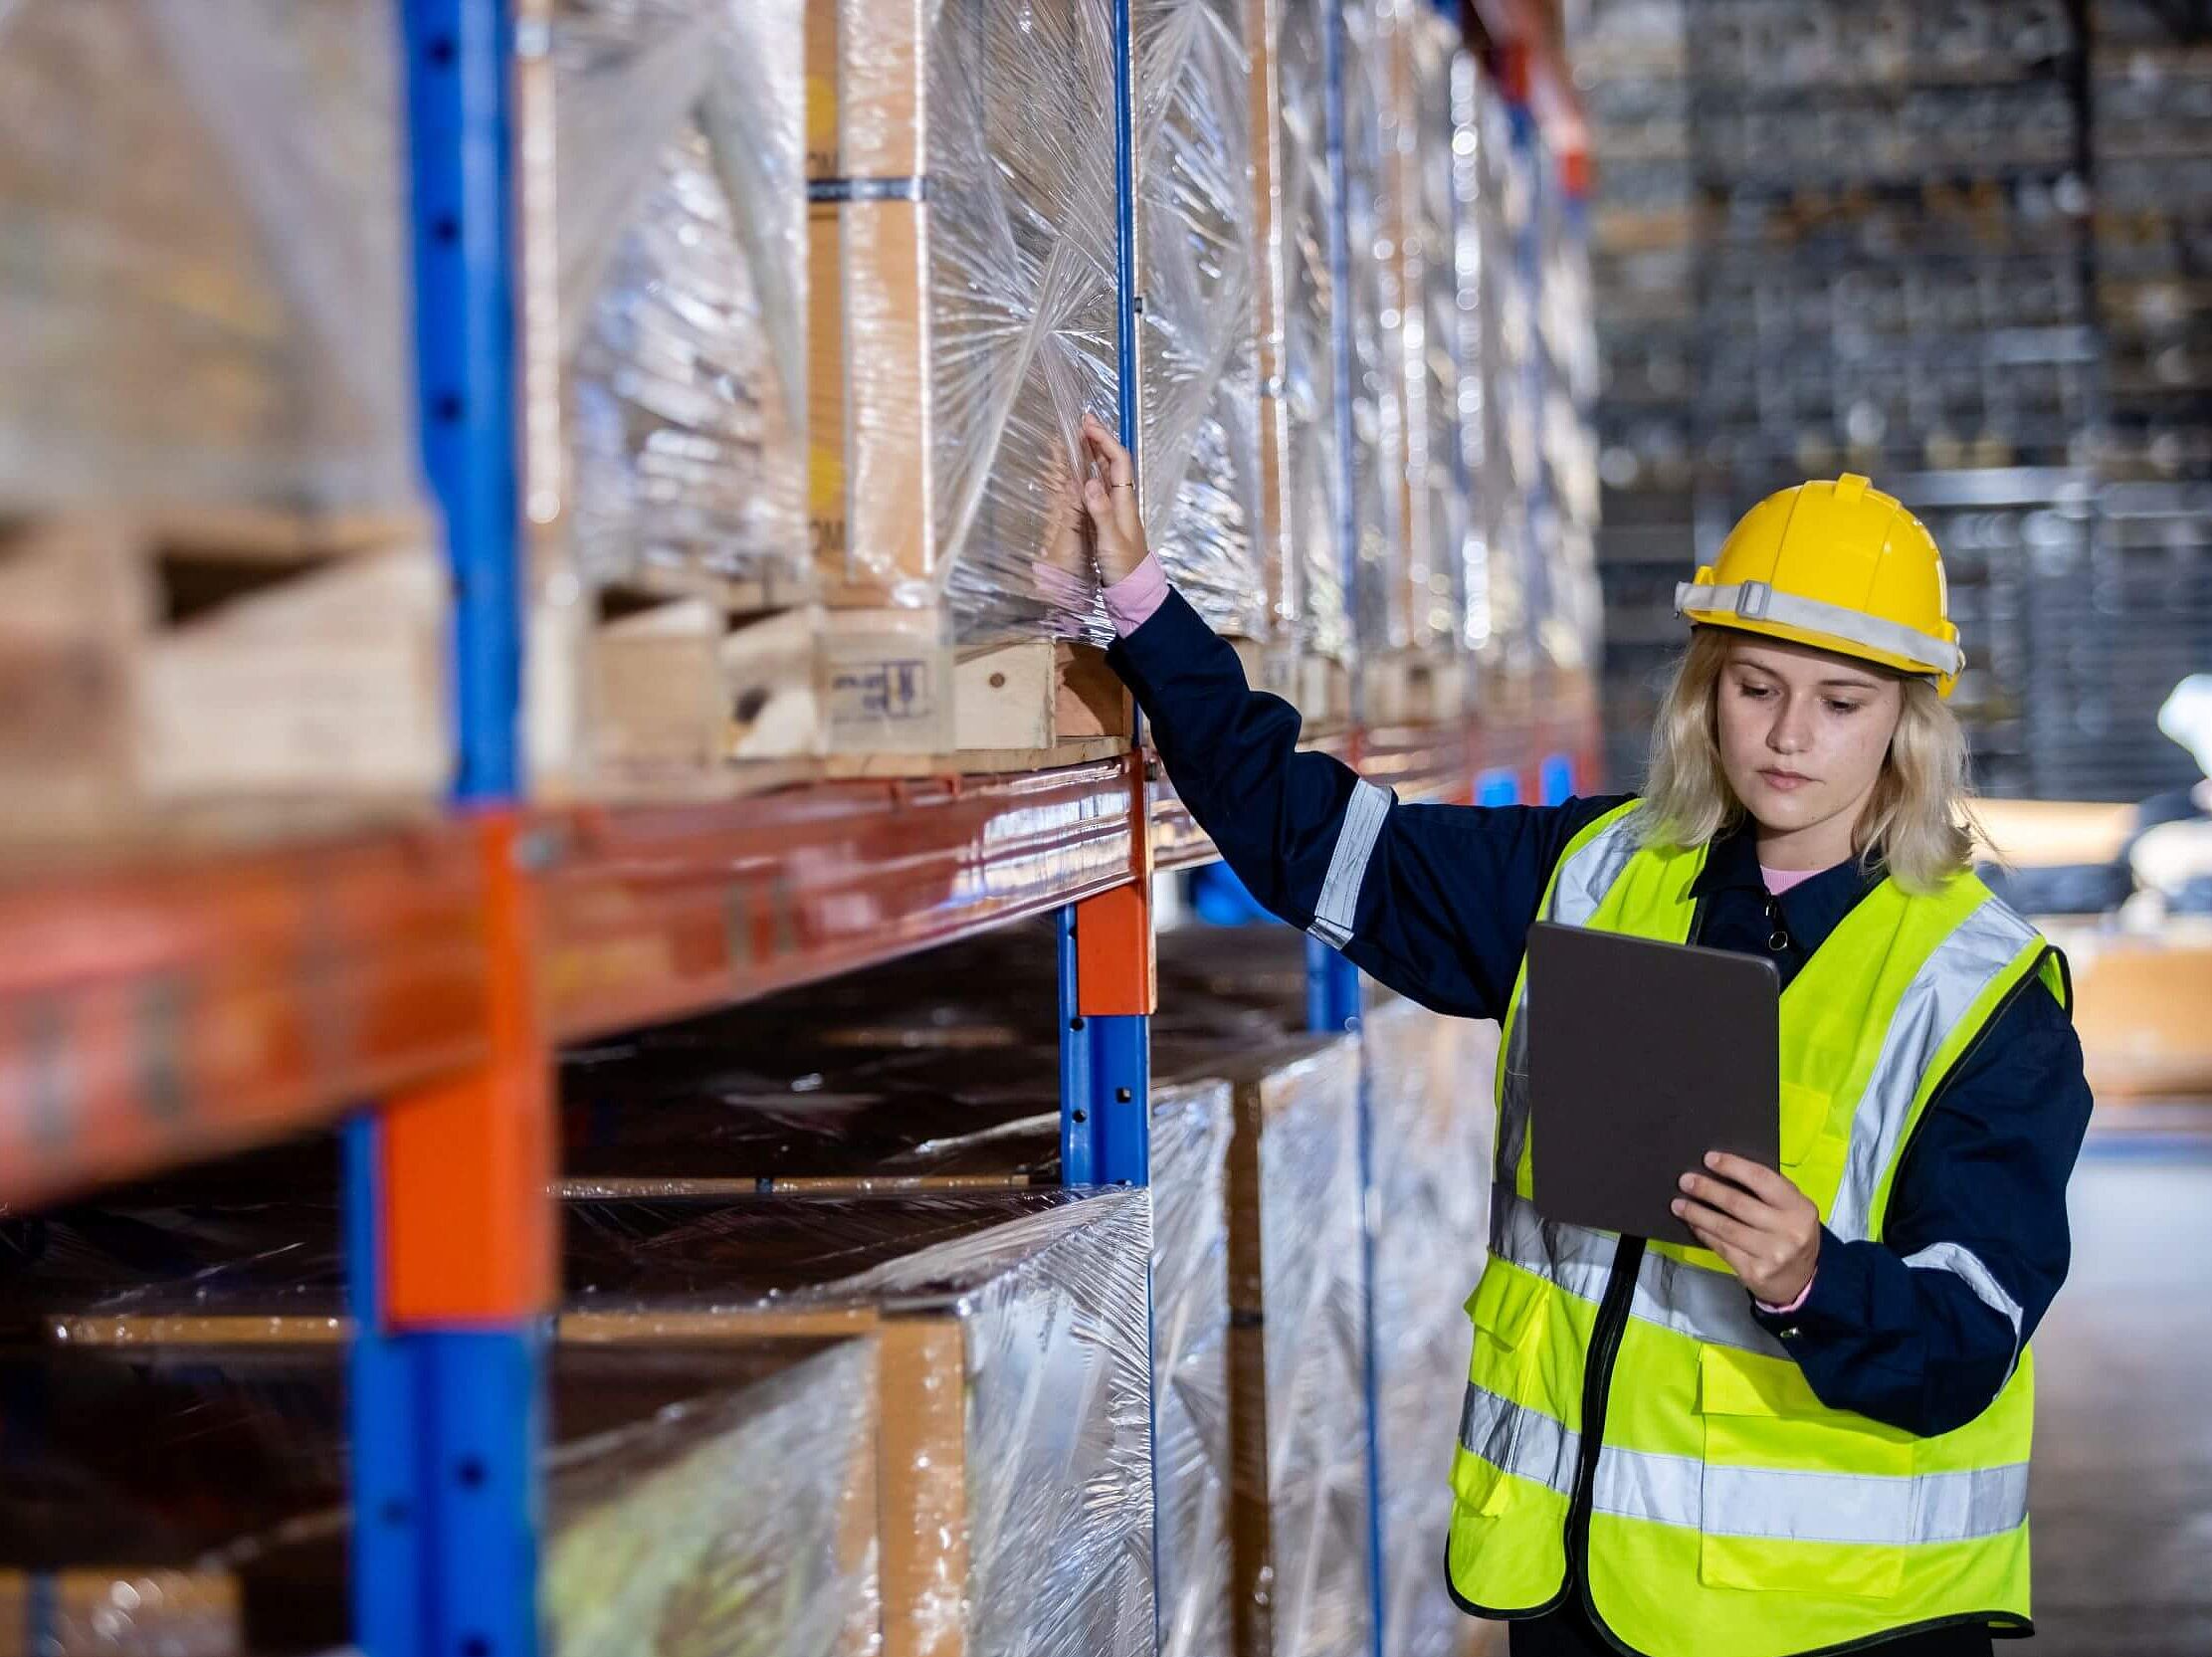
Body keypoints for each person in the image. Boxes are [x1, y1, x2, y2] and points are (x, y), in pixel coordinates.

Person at [1071, 411, 2093, 1657]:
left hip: (1839, 1626)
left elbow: (1973, 1334)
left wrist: (1813, 1278)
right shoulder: (1596, 874)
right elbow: (1313, 838)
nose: (1788, 736)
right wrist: (1140, 601)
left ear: (1906, 723)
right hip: (1578, 1598)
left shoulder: (1980, 990)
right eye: (1756, 689)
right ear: (1706, 689)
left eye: (1841, 702)